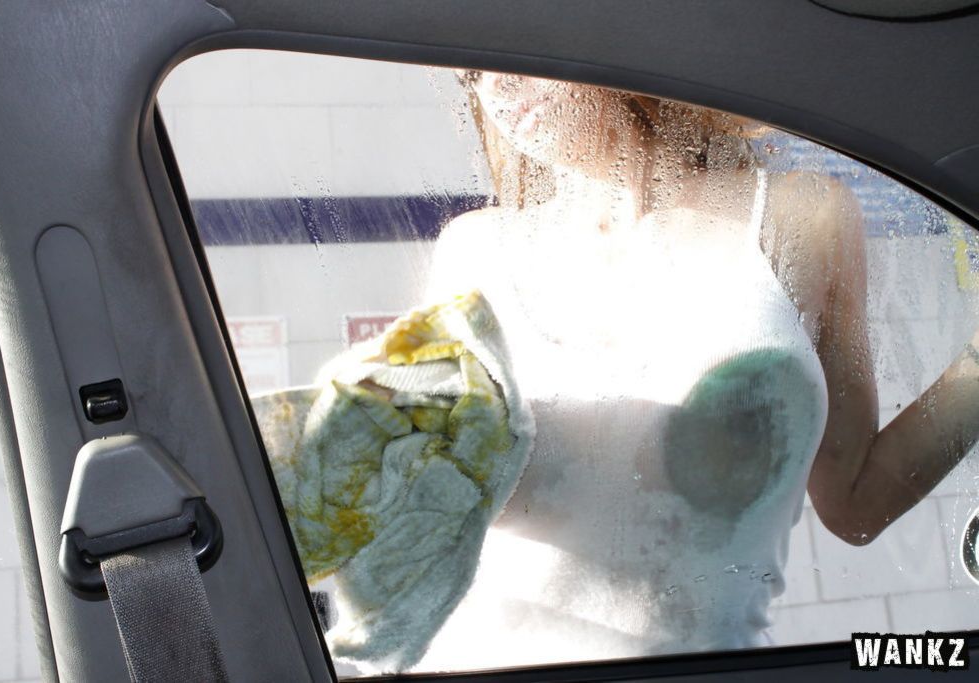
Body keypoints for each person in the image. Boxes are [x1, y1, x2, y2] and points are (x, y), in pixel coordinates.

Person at [401, 70, 979, 669]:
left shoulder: (803, 217)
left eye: (516, 47)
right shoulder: (472, 251)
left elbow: (856, 502)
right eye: (474, 72)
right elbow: (417, 512)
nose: (497, 86)